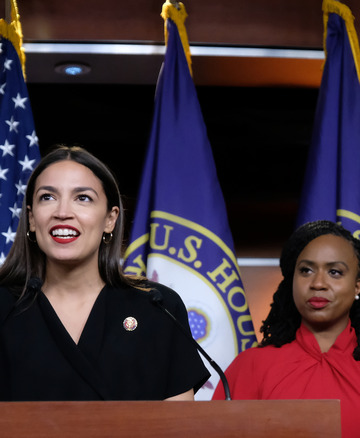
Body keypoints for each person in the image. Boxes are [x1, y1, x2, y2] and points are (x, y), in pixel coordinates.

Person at [0, 145, 209, 401]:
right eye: (48, 197)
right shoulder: (4, 305)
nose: (63, 212)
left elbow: (179, 426)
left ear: (110, 219)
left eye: (83, 198)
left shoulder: (158, 307)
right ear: (32, 219)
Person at [213, 220, 360, 438]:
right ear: (291, 282)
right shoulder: (251, 366)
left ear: (358, 286)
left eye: (334, 272)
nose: (318, 283)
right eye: (306, 270)